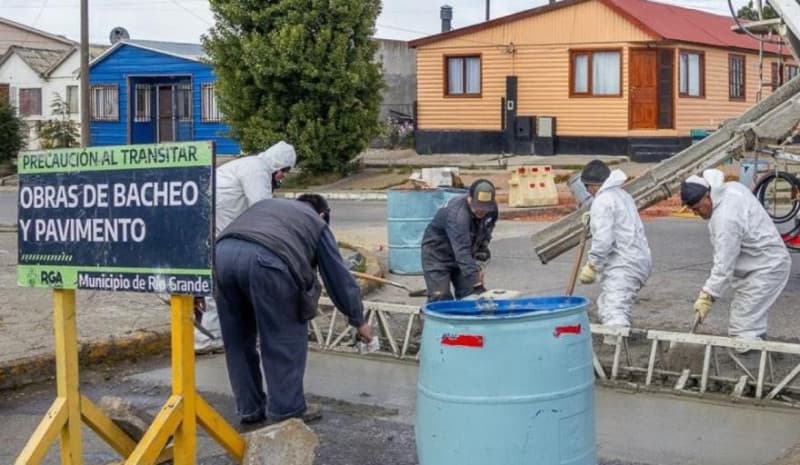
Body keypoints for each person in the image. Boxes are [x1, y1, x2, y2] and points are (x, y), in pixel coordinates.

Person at [214, 194, 373, 425]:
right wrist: (358, 319)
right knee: (282, 340)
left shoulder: (266, 205)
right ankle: (287, 411)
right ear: (323, 214)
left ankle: (250, 408)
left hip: (221, 257)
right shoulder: (316, 222)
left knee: (237, 341)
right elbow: (337, 277)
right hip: (268, 262)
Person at [194, 141, 297, 353]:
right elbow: (263, 210)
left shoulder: (248, 165)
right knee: (219, 283)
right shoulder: (258, 170)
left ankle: (212, 336)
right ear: (277, 166)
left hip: (213, 226)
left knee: (218, 284)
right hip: (219, 231)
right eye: (284, 171)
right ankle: (207, 339)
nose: (283, 176)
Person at [680, 169, 791, 342]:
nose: (695, 213)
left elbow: (724, 264)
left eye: (696, 208)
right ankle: (759, 349)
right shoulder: (731, 188)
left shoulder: (725, 219)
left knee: (742, 326)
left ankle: (749, 355)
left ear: (708, 196)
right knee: (751, 320)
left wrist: (707, 295)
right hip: (761, 261)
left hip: (766, 267)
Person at [579, 160, 651, 327]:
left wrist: (593, 265)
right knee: (606, 304)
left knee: (614, 311)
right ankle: (619, 338)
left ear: (592, 186)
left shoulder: (602, 201)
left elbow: (603, 240)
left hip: (624, 264)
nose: (587, 192)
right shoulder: (622, 195)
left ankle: (619, 340)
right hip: (637, 260)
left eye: (587, 187)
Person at [421, 179, 497, 301]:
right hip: (438, 255)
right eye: (478, 207)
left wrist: (480, 259)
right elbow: (462, 251)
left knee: (471, 296)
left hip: (464, 255)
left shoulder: (491, 210)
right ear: (469, 198)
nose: (481, 211)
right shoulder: (457, 215)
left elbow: (485, 234)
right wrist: (477, 282)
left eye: (485, 207)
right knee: (441, 297)